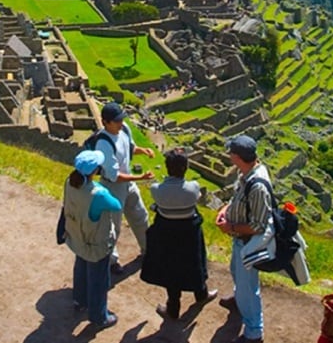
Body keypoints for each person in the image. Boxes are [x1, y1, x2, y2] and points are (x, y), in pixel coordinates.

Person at [141, 148, 217, 319]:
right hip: (189, 233)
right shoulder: (193, 188)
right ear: (186, 167)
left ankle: (173, 307)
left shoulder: (157, 190)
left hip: (167, 233)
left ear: (167, 168)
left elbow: (159, 206)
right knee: (195, 263)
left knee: (171, 270)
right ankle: (201, 294)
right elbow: (194, 198)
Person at [215, 134, 271, 343]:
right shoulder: (247, 174)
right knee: (236, 272)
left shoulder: (258, 186)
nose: (229, 156)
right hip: (239, 240)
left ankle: (254, 332)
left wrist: (230, 226)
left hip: (248, 243)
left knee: (249, 288)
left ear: (238, 157)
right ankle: (239, 302)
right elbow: (238, 198)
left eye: (231, 153)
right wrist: (226, 208)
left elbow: (258, 225)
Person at [63, 149, 122, 329]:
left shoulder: (69, 182)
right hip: (95, 242)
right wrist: (103, 188)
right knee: (98, 279)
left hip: (76, 236)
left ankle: (79, 300)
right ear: (94, 171)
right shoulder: (98, 194)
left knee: (80, 267)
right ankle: (98, 316)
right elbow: (117, 206)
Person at [94, 101, 154, 273]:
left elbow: (130, 148)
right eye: (117, 121)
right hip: (113, 186)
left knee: (140, 216)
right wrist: (141, 177)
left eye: (121, 119)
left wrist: (144, 151)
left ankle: (147, 251)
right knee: (113, 226)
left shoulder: (124, 129)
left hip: (128, 183)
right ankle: (111, 261)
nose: (121, 123)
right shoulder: (103, 143)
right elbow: (114, 176)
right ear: (106, 122)